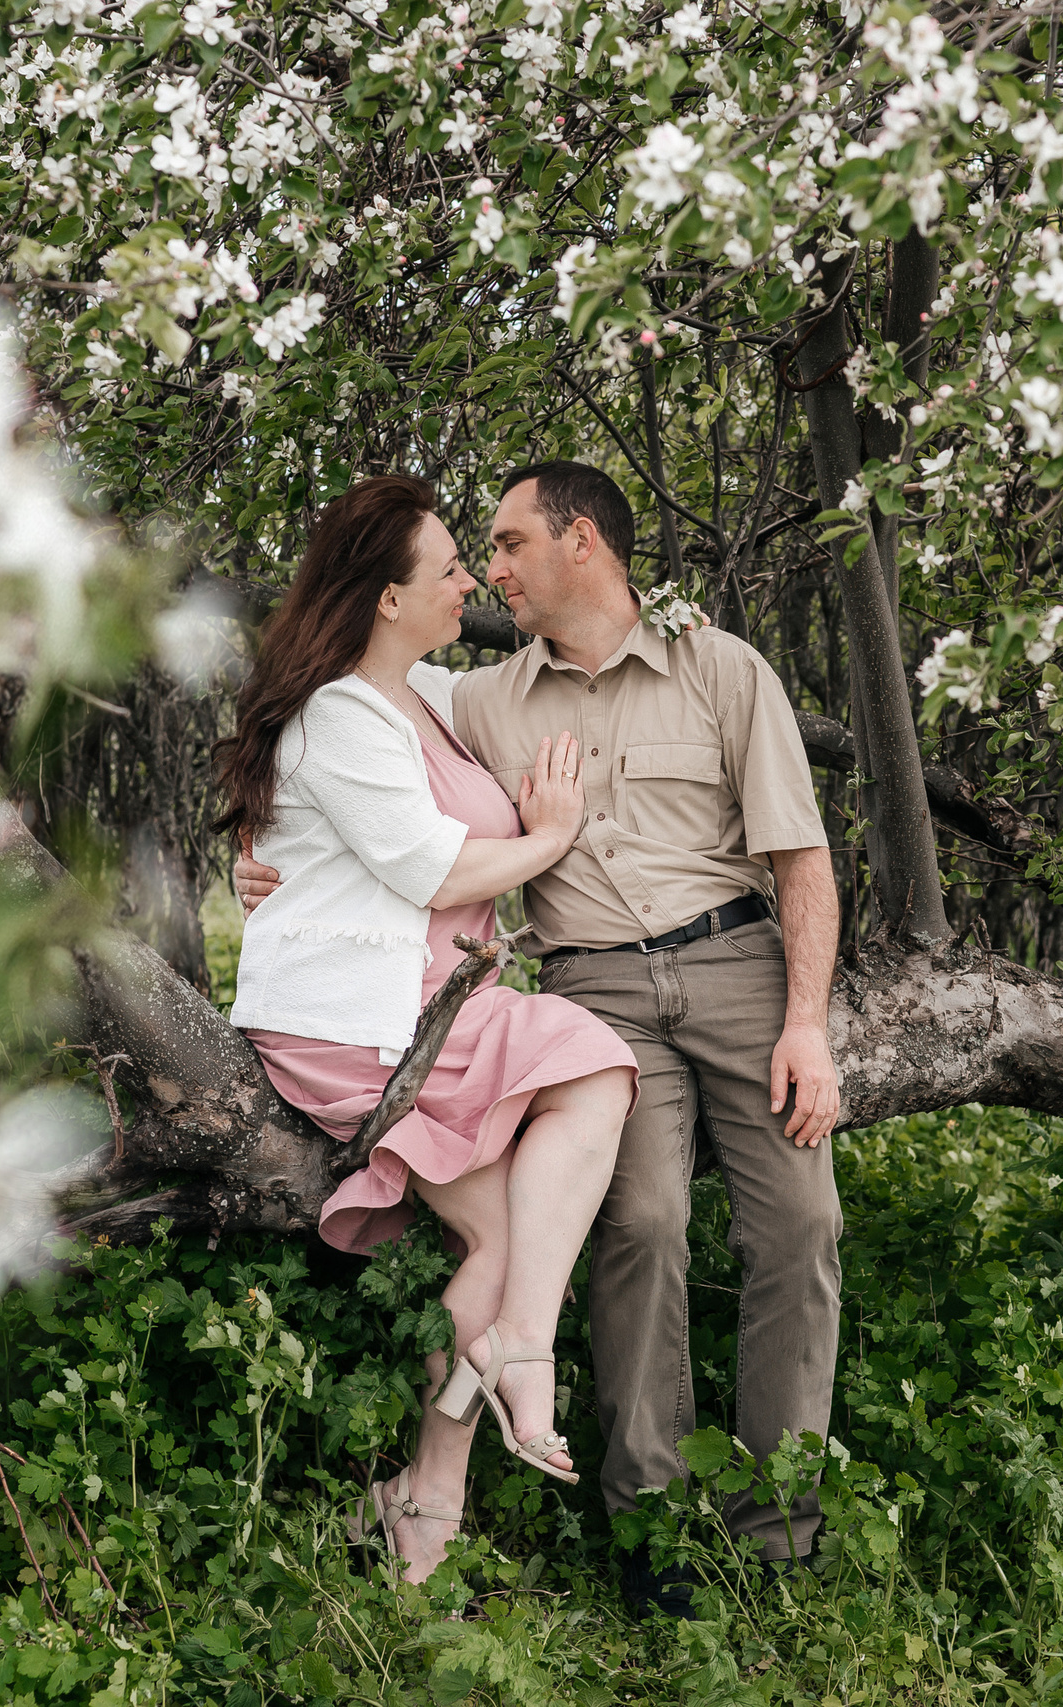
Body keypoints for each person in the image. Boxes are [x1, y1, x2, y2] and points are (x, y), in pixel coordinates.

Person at [237, 461, 843, 1615]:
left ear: (582, 543)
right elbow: (336, 735)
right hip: (590, 985)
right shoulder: (478, 698)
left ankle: (779, 1533)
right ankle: (654, 1534)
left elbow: (800, 857)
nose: (488, 572)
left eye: (508, 545)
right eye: (471, 557)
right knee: (641, 1222)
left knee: (802, 1229)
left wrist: (805, 1024)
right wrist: (261, 858)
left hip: (737, 967)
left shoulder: (721, 669)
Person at [212, 473, 637, 1585]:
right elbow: (429, 868)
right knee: (568, 1120)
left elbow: (543, 673)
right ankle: (503, 1384)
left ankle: (436, 1481)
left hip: (437, 1008)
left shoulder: (428, 697)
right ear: (387, 599)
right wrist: (550, 840)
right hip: (357, 1023)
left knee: (525, 1212)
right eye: (450, 569)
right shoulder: (339, 713)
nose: (470, 582)